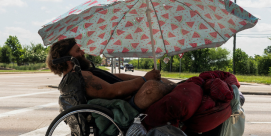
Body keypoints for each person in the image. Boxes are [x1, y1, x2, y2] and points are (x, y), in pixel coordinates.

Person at [47, 38, 175, 111]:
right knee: (152, 86)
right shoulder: (79, 77)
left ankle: (179, 88)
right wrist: (145, 79)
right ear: (67, 58)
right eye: (78, 50)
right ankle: (178, 88)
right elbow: (113, 91)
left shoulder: (82, 73)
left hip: (129, 97)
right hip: (125, 104)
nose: (82, 53)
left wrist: (145, 77)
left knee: (160, 81)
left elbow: (118, 77)